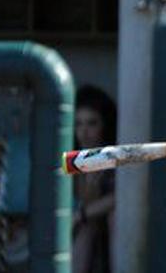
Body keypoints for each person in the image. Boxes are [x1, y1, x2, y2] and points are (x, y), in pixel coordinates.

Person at [72, 85, 116, 273]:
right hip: (79, 231)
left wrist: (82, 215)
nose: (84, 132)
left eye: (92, 123)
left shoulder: (114, 156)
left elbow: (118, 197)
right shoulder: (72, 159)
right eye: (79, 124)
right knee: (86, 231)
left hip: (108, 229)